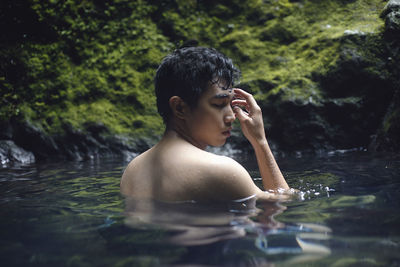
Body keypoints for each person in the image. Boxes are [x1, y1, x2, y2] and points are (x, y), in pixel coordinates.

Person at [121, 46, 290, 202]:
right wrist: (260, 142)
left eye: (231, 104)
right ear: (180, 107)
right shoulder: (221, 170)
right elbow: (283, 205)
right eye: (219, 104)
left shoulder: (133, 170)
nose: (232, 116)